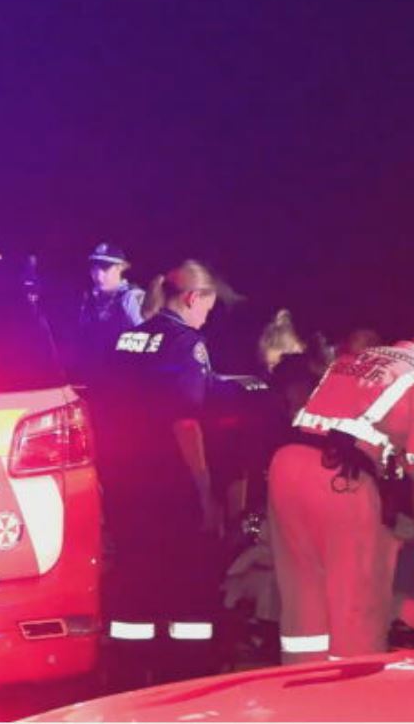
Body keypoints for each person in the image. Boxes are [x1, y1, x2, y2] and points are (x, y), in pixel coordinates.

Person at [267, 305, 414, 663]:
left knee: (303, 599)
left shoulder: (358, 359)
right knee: (356, 604)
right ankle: (353, 698)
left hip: (286, 466)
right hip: (340, 478)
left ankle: (299, 699)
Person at [94, 259, 233, 685]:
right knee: (184, 583)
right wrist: (205, 491)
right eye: (208, 306)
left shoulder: (127, 340)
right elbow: (186, 421)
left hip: (124, 481)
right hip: (170, 487)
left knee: (134, 578)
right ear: (193, 297)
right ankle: (185, 676)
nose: (207, 316)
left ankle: (128, 672)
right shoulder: (185, 344)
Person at [67, 243, 145, 381]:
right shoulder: (90, 298)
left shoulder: (131, 298)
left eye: (105, 269)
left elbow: (148, 342)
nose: (98, 275)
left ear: (120, 268)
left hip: (124, 380)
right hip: (92, 378)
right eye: (94, 269)